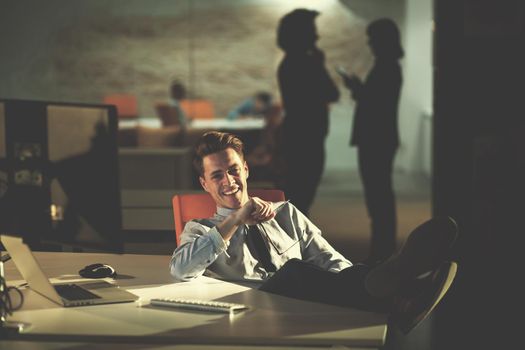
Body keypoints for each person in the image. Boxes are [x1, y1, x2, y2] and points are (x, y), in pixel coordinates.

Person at [170, 131, 458, 334]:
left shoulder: (285, 212)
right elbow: (181, 269)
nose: (228, 181)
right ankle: (404, 290)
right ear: (204, 184)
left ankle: (396, 290)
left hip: (311, 301)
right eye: (217, 175)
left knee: (317, 271)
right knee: (294, 270)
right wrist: (235, 220)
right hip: (253, 310)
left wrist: (360, 279)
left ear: (246, 170)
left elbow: (327, 258)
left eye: (233, 170)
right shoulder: (200, 229)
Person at [340, 18, 404, 264]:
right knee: (379, 195)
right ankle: (382, 247)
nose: (370, 43)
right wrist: (359, 89)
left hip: (376, 138)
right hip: (380, 137)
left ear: (383, 40)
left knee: (379, 197)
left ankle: (382, 250)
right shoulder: (387, 65)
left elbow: (375, 104)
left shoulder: (387, 67)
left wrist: (356, 88)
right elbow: (375, 100)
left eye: (373, 38)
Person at [276, 9, 340, 217]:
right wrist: (320, 64)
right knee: (301, 197)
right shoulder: (305, 63)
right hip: (306, 137)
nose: (316, 35)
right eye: (312, 30)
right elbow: (332, 93)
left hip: (298, 134)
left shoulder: (289, 62)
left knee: (298, 196)